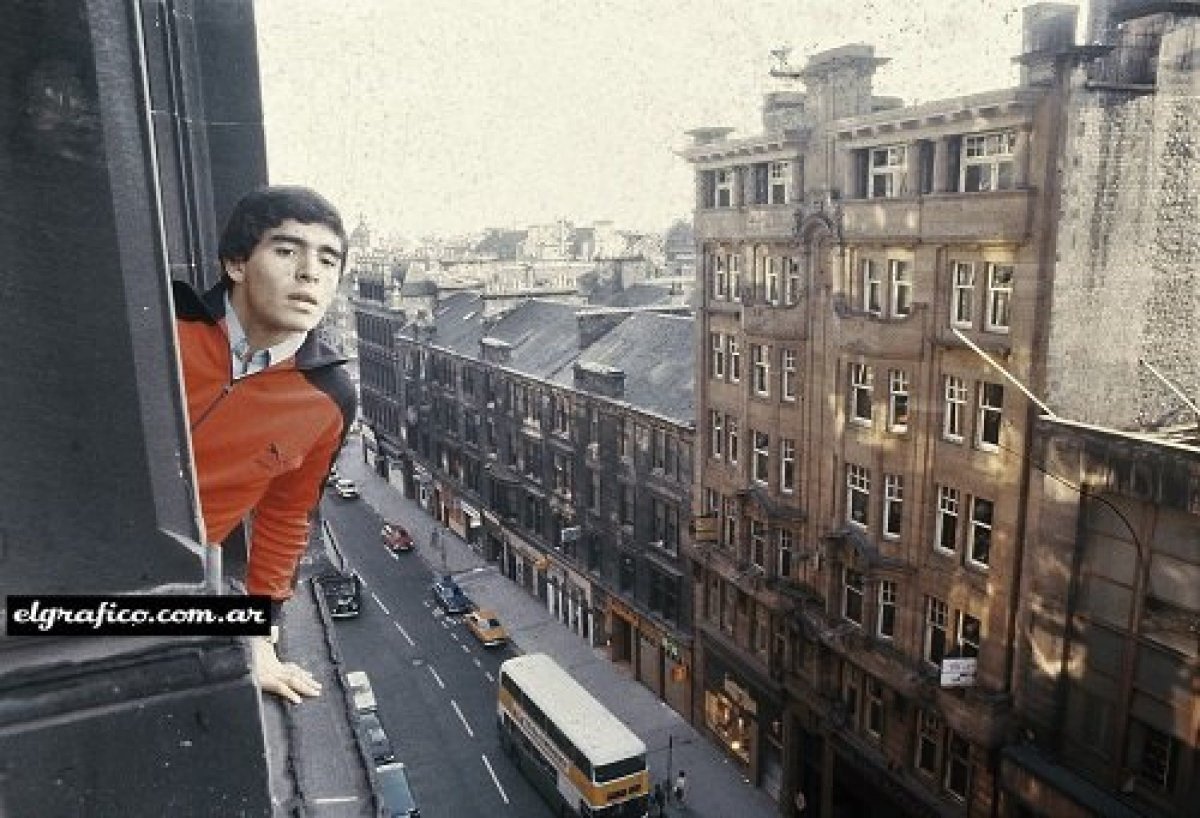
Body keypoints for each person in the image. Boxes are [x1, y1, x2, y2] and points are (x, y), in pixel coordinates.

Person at [173, 185, 356, 704]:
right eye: (286, 250)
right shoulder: (164, 324)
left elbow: (287, 515)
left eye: (328, 259)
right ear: (236, 263)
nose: (310, 273)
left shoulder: (330, 395)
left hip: (168, 582)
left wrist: (258, 636)